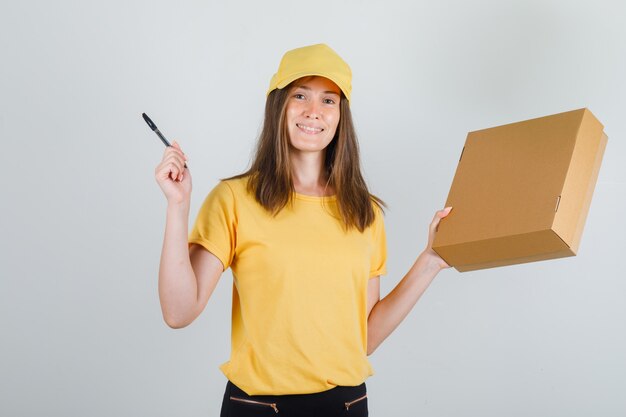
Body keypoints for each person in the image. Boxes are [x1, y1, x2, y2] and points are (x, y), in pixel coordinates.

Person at [155, 43, 452, 417]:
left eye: (329, 100)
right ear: (278, 105)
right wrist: (177, 206)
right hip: (259, 407)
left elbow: (364, 338)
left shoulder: (364, 212)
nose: (314, 112)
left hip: (345, 406)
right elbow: (178, 312)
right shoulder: (235, 199)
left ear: (341, 115)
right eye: (300, 96)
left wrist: (430, 261)